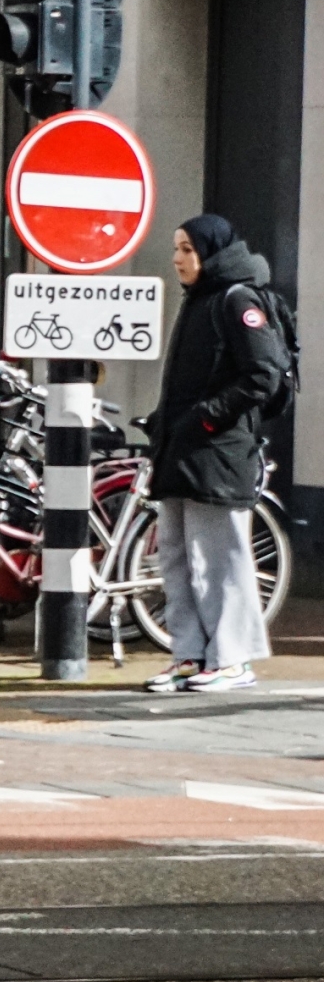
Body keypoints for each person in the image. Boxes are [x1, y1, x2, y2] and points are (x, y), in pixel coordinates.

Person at [144, 213, 290, 694]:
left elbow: (263, 373)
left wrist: (207, 417)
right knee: (178, 557)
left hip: (218, 453)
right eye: (177, 248)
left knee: (220, 558)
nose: (178, 259)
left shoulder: (236, 299)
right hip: (182, 450)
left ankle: (233, 659)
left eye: (187, 249)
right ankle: (189, 654)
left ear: (212, 252)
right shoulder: (200, 300)